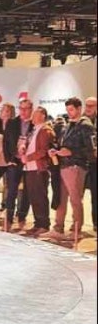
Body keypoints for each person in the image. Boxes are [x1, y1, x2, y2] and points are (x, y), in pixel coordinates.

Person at [41, 97, 96, 242]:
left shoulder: (86, 126)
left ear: (79, 109)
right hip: (63, 165)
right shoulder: (68, 125)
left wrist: (71, 152)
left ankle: (76, 230)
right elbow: (63, 145)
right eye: (67, 109)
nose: (69, 112)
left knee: (75, 199)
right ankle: (58, 228)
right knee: (61, 198)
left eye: (71, 109)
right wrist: (55, 151)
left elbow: (91, 150)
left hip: (76, 166)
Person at [19, 107, 55, 237]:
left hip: (39, 168)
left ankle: (44, 225)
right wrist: (24, 147)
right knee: (33, 197)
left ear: (43, 116)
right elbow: (30, 145)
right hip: (30, 168)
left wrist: (28, 157)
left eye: (35, 114)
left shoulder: (45, 130)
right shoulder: (34, 130)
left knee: (40, 196)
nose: (32, 117)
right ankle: (37, 223)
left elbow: (43, 151)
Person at [2, 98, 33, 232]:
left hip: (29, 162)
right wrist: (9, 159)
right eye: (21, 108)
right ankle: (8, 219)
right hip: (14, 161)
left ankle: (21, 217)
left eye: (26, 109)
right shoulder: (12, 123)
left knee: (26, 192)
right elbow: (5, 142)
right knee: (11, 192)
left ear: (31, 109)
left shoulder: (34, 123)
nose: (23, 111)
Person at [83, 96, 97, 232]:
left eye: (91, 105)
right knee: (76, 196)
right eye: (87, 105)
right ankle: (76, 224)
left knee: (95, 195)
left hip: (94, 164)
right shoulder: (80, 121)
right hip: (81, 162)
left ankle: (96, 223)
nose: (88, 108)